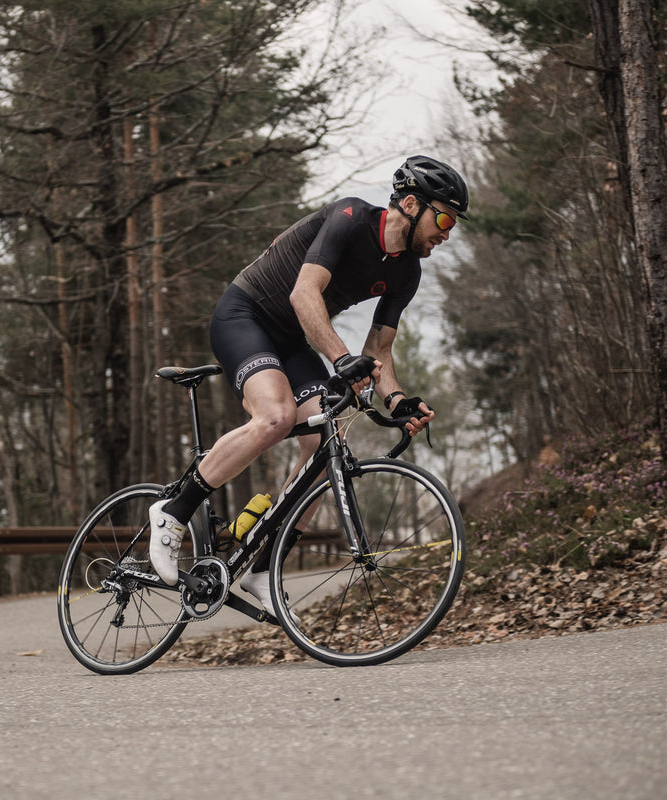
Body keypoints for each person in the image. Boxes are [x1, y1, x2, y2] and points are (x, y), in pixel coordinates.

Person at [148, 155, 468, 616]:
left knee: (326, 440)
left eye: (453, 225)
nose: (446, 232)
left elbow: (380, 349)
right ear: (411, 204)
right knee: (275, 417)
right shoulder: (351, 217)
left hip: (295, 337)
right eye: (443, 218)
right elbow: (304, 294)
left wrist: (397, 399)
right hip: (246, 316)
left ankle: (263, 565)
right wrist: (341, 359)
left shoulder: (407, 272)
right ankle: (173, 512)